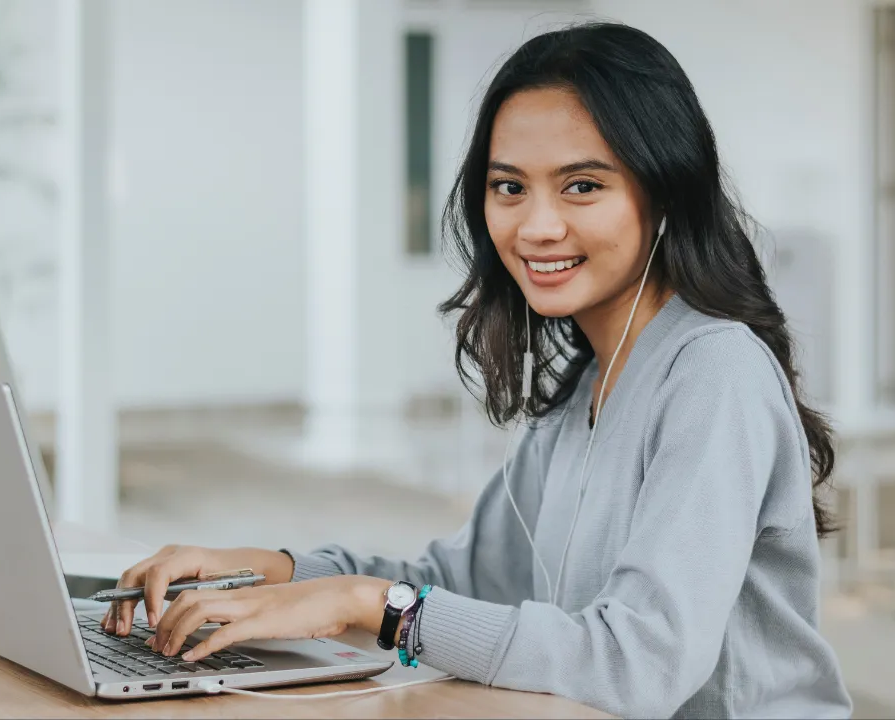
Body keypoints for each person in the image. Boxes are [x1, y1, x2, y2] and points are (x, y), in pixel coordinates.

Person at [102, 21, 852, 719]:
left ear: (664, 194)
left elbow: (640, 662)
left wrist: (372, 604)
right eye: (509, 186)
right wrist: (266, 569)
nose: (536, 226)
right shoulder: (589, 386)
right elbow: (460, 581)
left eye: (582, 185)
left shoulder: (714, 374)